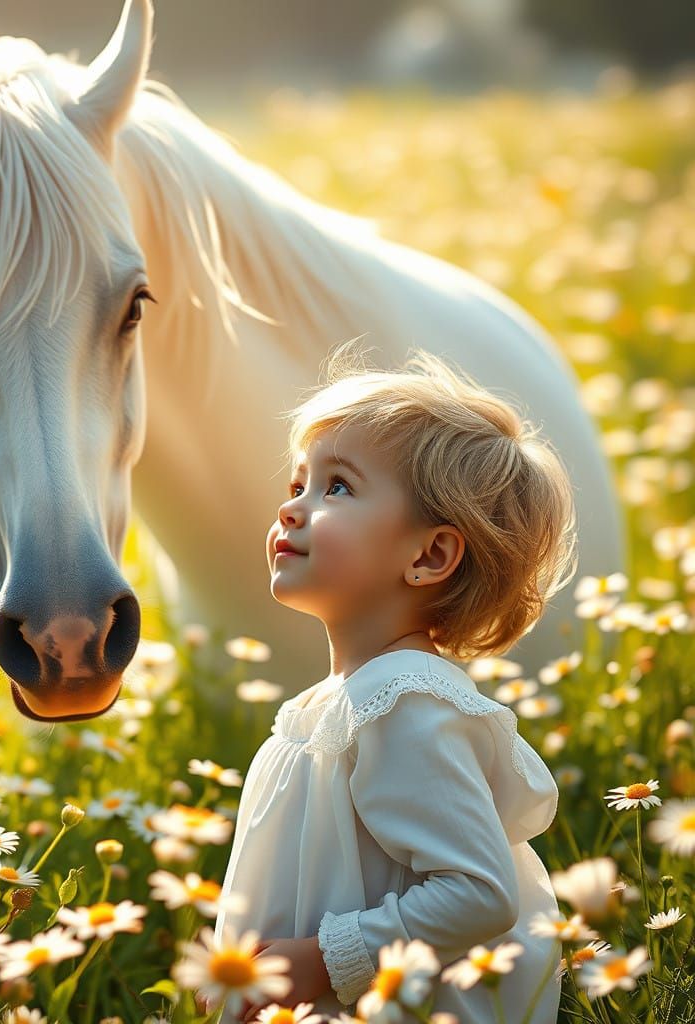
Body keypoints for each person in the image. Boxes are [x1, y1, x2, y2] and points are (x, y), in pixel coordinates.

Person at [203, 344, 578, 1023]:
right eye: (297, 486)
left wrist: (315, 963)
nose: (291, 510)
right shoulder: (335, 704)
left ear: (429, 555)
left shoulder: (406, 702)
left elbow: (478, 891)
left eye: (336, 487)